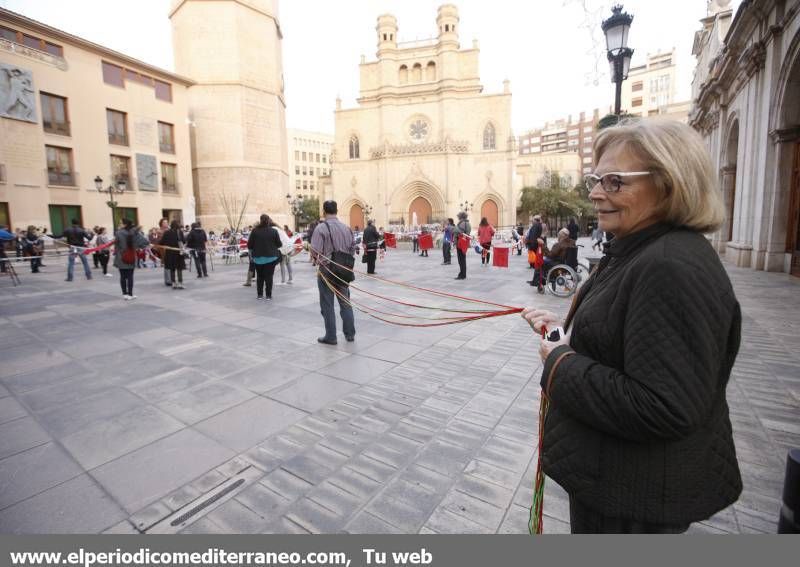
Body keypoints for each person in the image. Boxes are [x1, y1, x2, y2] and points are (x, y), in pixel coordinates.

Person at [521, 119, 741, 533]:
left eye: (616, 181)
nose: (596, 192)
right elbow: (630, 338)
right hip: (621, 483)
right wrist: (568, 333)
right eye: (597, 178)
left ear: (668, 184)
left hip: (633, 497)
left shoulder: (668, 264)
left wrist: (560, 362)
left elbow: (664, 405)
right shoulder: (641, 249)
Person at [310, 200, 356, 345]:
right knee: (345, 302)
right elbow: (352, 250)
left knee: (327, 304)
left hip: (326, 271)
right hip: (344, 271)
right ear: (336, 211)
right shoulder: (347, 228)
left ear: (324, 211)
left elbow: (315, 251)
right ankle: (350, 334)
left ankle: (331, 336)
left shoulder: (321, 228)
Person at [247, 214, 282, 300]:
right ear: (268, 221)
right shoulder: (274, 231)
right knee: (269, 277)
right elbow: (279, 244)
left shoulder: (255, 231)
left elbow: (249, 245)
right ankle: (268, 296)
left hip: (258, 258)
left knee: (260, 276)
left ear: (260, 220)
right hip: (271, 258)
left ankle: (259, 295)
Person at [113, 218, 148, 299]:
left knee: (122, 276)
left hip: (121, 257)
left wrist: (117, 252)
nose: (119, 224)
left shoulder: (118, 233)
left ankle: (124, 294)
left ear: (125, 224)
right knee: (130, 276)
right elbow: (144, 242)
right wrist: (139, 247)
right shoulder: (135, 233)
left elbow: (116, 245)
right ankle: (130, 294)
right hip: (131, 256)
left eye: (121, 223)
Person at [159, 220, 186, 289]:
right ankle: (180, 283)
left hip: (170, 253)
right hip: (178, 252)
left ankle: (173, 283)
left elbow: (161, 242)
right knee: (179, 268)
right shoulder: (180, 232)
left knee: (172, 268)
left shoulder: (167, 232)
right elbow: (183, 241)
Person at [453, 211, 471, 280]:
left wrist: (454, 229)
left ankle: (462, 274)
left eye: (458, 217)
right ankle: (463, 274)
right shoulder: (468, 223)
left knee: (461, 259)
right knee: (463, 258)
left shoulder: (462, 223)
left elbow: (459, 232)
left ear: (461, 217)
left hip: (460, 242)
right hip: (465, 242)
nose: (458, 218)